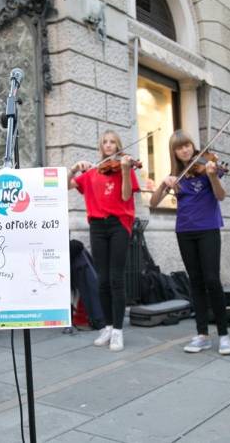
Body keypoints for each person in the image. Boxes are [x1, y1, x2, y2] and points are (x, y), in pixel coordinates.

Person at [149, 130, 230, 356]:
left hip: (208, 229)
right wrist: (163, 184)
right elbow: (154, 203)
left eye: (187, 145)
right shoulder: (177, 176)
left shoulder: (207, 166)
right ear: (174, 152)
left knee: (212, 280)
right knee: (195, 282)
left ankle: (224, 335)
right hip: (185, 231)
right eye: (180, 147)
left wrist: (213, 176)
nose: (185, 150)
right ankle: (202, 335)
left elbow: (220, 196)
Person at [68, 130, 140, 351]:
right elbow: (64, 184)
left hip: (119, 224)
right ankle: (107, 327)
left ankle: (118, 330)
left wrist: (126, 171)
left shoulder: (124, 168)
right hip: (97, 226)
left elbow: (127, 196)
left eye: (113, 142)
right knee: (102, 280)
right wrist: (73, 168)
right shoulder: (92, 172)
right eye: (105, 142)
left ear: (118, 146)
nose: (109, 145)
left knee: (116, 279)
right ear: (101, 147)